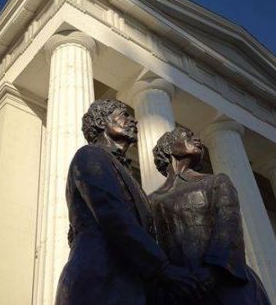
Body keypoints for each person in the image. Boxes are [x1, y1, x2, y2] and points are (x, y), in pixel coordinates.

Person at [55, 99, 201, 305]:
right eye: (124, 114)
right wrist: (163, 268)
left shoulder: (127, 174)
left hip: (129, 283)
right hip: (99, 280)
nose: (133, 120)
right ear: (100, 121)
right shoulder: (90, 156)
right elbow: (113, 216)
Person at [150, 127, 271, 305]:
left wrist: (213, 271)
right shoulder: (152, 200)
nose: (197, 139)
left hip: (224, 283)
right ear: (168, 148)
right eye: (187, 136)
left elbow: (228, 228)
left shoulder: (216, 181)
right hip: (180, 290)